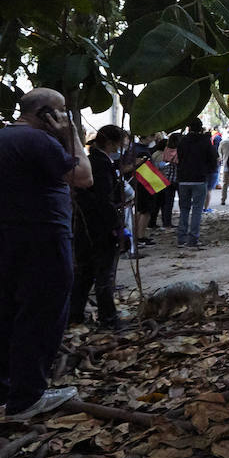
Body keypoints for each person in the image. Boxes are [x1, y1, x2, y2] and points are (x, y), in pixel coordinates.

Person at [0, 88, 93, 421]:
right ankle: (27, 397)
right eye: (61, 113)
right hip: (43, 236)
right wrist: (71, 135)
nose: (65, 118)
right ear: (46, 114)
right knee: (42, 316)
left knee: (10, 314)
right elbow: (84, 177)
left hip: (10, 236)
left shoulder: (0, 138)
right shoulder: (38, 141)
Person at [69, 125, 126, 330]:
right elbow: (103, 199)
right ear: (110, 143)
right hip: (99, 226)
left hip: (85, 224)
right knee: (103, 272)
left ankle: (74, 314)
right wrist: (117, 227)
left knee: (84, 272)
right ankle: (108, 317)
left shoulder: (91, 161)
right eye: (119, 143)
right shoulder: (100, 164)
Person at [174, 118, 217, 248]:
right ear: (201, 128)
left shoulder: (183, 141)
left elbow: (180, 157)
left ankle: (181, 238)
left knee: (184, 210)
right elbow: (212, 159)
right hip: (199, 179)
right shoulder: (205, 142)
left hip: (184, 179)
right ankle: (193, 239)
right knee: (197, 210)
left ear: (189, 128)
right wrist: (207, 171)